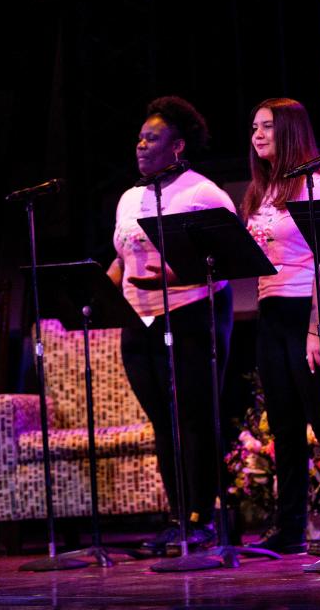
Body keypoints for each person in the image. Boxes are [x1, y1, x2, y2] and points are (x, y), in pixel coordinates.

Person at [107, 96, 236, 553]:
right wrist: (102, 285)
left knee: (194, 418)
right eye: (139, 138)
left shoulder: (202, 192)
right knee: (164, 421)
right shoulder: (129, 198)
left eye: (152, 138)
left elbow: (229, 256)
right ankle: (177, 516)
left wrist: (176, 275)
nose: (141, 146)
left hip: (192, 312)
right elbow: (123, 256)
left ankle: (204, 516)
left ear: (177, 147)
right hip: (139, 317)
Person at [242, 97, 320, 555]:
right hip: (272, 312)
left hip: (312, 310)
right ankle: (289, 525)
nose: (257, 135)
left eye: (268, 127)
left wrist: (316, 327)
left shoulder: (312, 185)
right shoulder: (262, 189)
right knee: (285, 423)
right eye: (254, 127)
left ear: (290, 131)